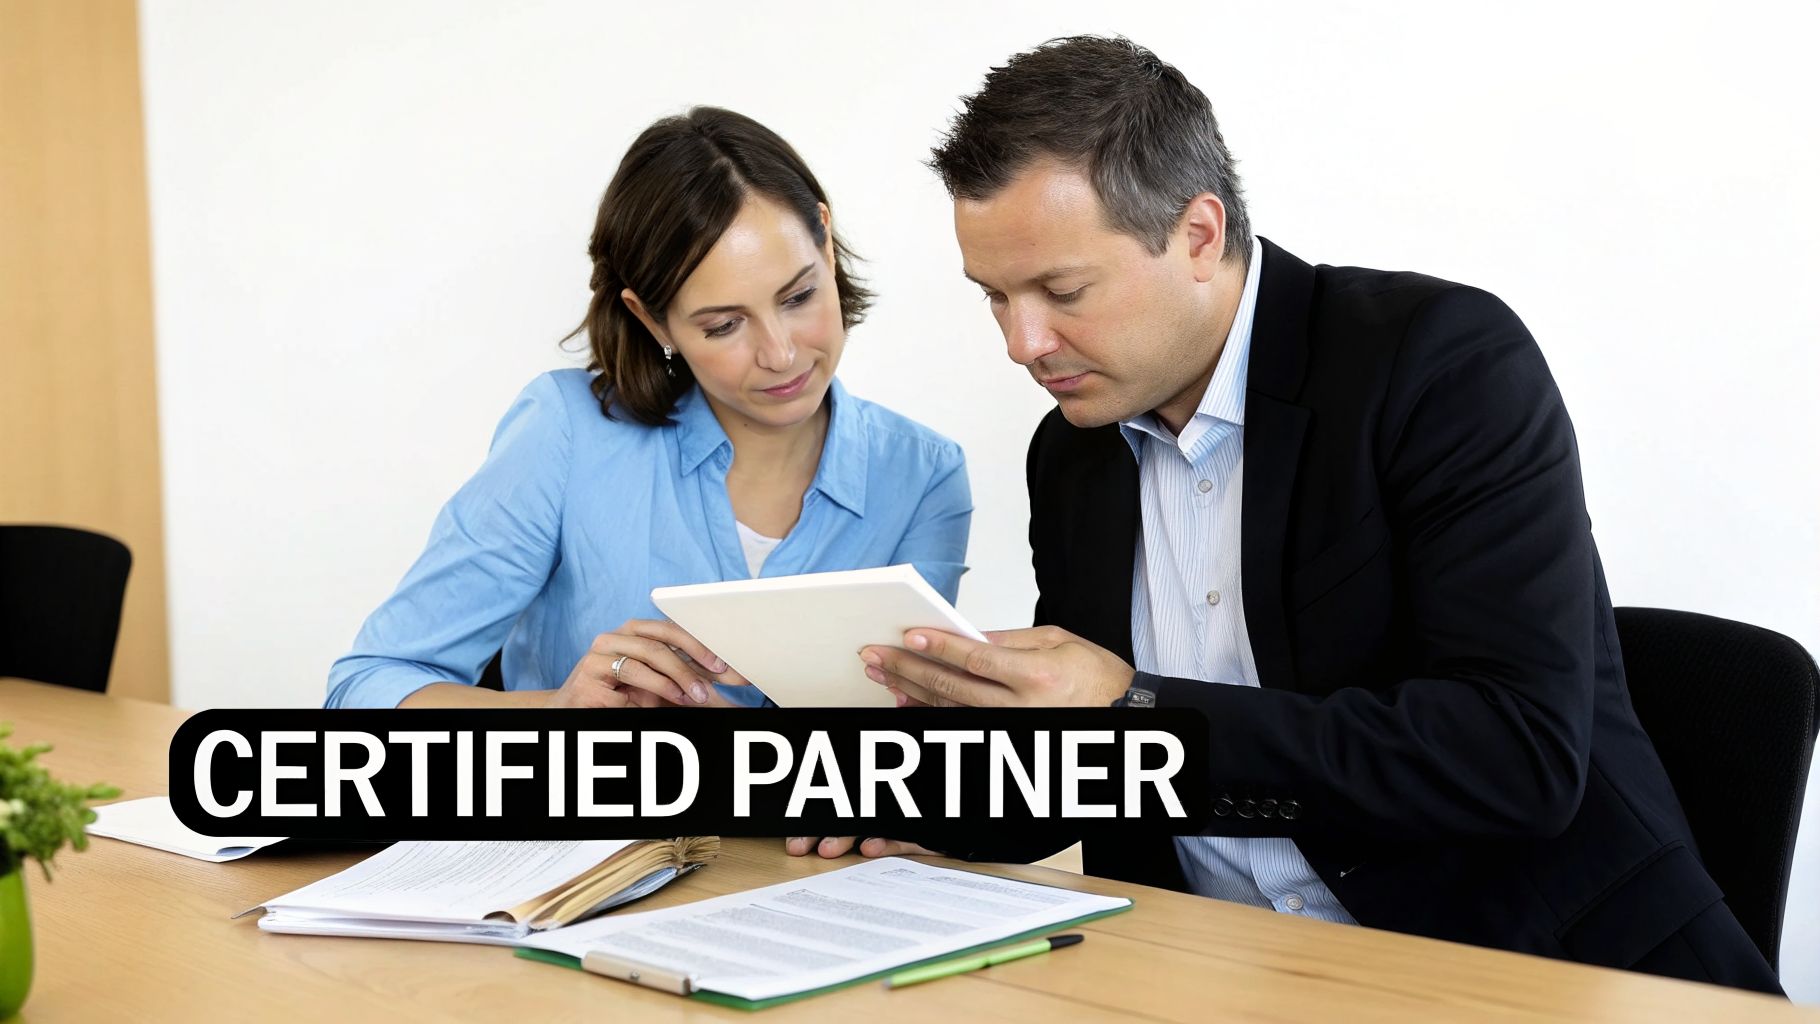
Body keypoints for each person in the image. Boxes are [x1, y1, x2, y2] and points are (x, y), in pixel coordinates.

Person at [831, 36, 1781, 994]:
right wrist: (918, 793)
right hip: (1223, 973)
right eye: (995, 297)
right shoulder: (1075, 451)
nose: (1022, 342)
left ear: (1199, 235)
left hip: (1538, 972)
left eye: (1062, 291)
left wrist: (1134, 710)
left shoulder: (1443, 364)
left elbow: (1515, 756)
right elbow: (1097, 775)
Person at [326, 107, 970, 711]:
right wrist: (556, 711)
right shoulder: (566, 433)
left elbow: (909, 723)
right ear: (652, 319)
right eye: (723, 325)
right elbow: (367, 684)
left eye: (799, 296)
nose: (780, 354)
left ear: (825, 244)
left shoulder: (922, 478)